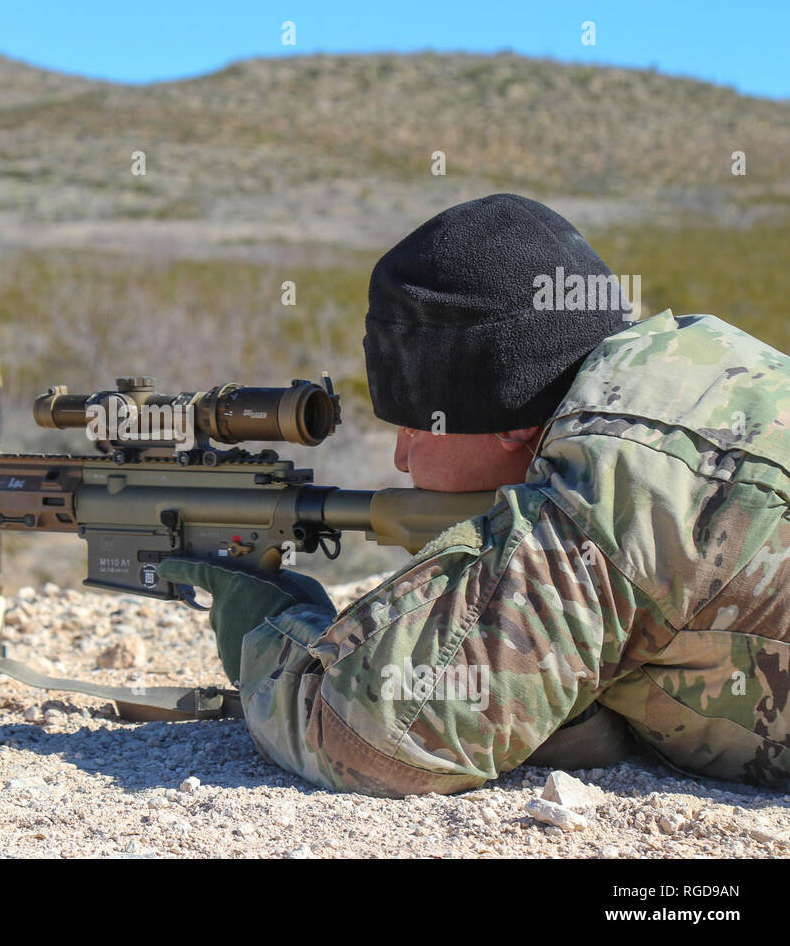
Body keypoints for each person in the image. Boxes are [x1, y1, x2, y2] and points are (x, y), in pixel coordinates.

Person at [159, 193, 790, 795]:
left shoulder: (621, 483)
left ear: (514, 418)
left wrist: (266, 628)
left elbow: (374, 734)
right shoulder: (700, 365)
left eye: (413, 424)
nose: (402, 456)